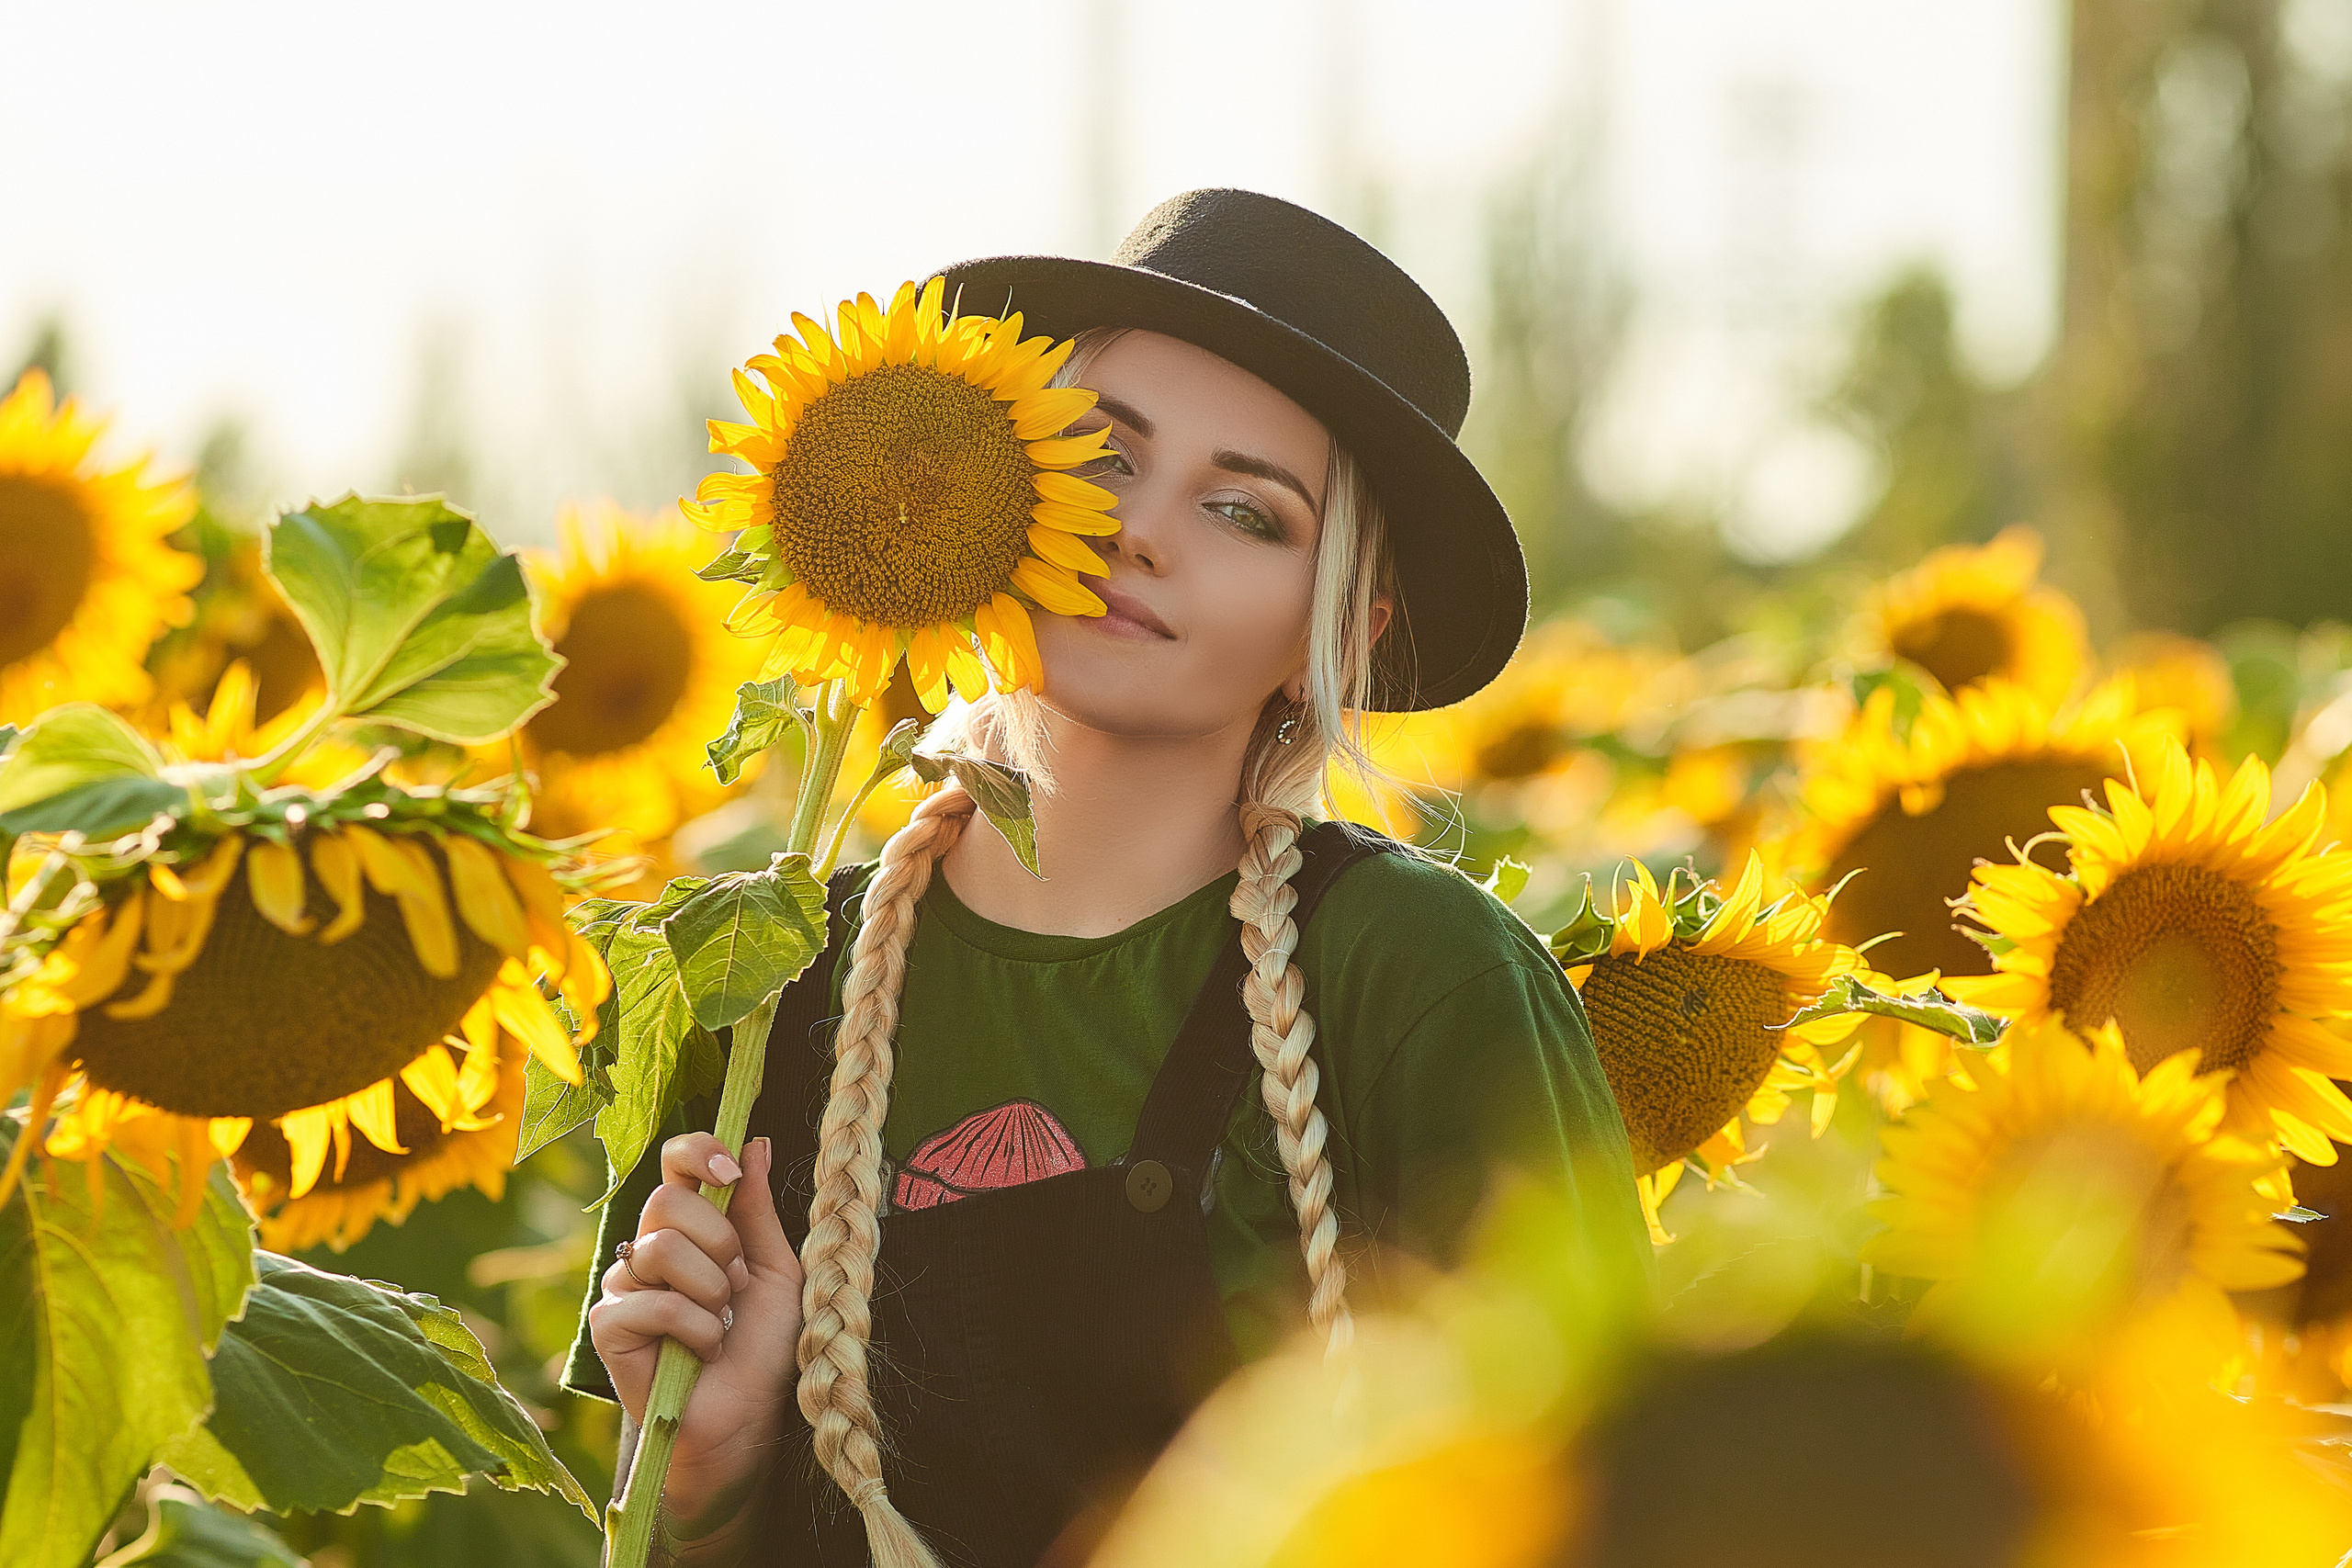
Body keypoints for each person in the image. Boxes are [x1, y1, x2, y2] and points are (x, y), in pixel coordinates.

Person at [566, 188, 1647, 1568]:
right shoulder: (762, 976)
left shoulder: (1413, 974)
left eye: (1248, 513)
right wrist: (711, 1481)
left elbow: (1605, 1501)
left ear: (1347, 631)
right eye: (1101, 457)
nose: (1139, 532)